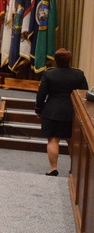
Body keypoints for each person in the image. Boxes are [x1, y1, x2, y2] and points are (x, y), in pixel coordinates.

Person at [35, 48, 88, 176]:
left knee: (53, 140)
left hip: (52, 111)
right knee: (72, 141)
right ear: (70, 60)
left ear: (55, 60)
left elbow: (42, 94)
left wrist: (38, 109)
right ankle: (74, 170)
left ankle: (53, 168)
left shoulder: (49, 74)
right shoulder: (79, 74)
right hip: (72, 112)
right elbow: (84, 94)